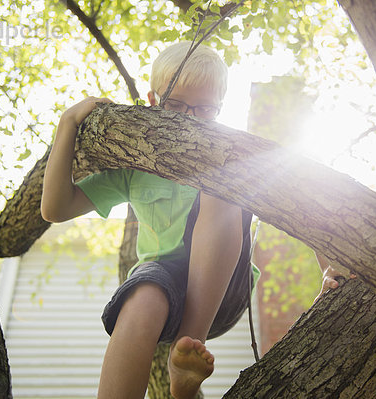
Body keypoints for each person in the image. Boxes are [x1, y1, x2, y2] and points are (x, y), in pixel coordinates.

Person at [41, 41, 259, 399]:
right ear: (154, 100)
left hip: (224, 292)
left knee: (223, 183)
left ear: (219, 110)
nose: (188, 118)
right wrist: (67, 124)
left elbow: (301, 202)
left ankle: (185, 350)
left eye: (203, 109)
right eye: (176, 104)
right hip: (164, 286)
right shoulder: (136, 166)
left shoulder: (231, 154)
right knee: (141, 297)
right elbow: (55, 208)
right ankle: (180, 372)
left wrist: (329, 268)